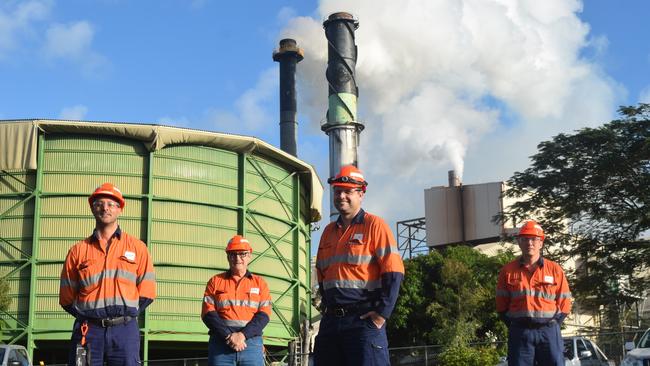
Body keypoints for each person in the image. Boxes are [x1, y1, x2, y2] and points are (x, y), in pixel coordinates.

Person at [313, 165, 405, 366]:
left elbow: (394, 272)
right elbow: (321, 275)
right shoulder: (328, 232)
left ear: (361, 193)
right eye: (338, 191)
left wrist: (381, 314)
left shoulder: (375, 225)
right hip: (331, 323)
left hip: (363, 321)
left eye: (348, 191)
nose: (341, 196)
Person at [59, 182, 156, 366]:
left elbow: (147, 292)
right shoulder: (77, 251)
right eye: (99, 203)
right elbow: (66, 298)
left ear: (120, 209)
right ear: (92, 208)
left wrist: (124, 316)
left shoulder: (138, 248)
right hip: (88, 331)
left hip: (125, 331)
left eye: (111, 204)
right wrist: (90, 317)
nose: (105, 208)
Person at [496, 220, 572, 366]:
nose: (529, 243)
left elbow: (565, 304)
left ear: (541, 243)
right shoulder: (507, 271)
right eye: (525, 239)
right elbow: (501, 307)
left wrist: (554, 324)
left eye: (534, 239)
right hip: (520, 332)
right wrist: (517, 325)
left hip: (549, 331)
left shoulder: (555, 269)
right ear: (519, 242)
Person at [202, 235, 272, 366]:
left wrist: (242, 336)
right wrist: (229, 336)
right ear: (228, 256)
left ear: (249, 256)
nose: (238, 258)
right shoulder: (215, 282)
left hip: (251, 344)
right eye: (233, 254)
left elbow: (264, 315)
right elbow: (208, 313)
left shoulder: (260, 283)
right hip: (221, 344)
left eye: (242, 254)